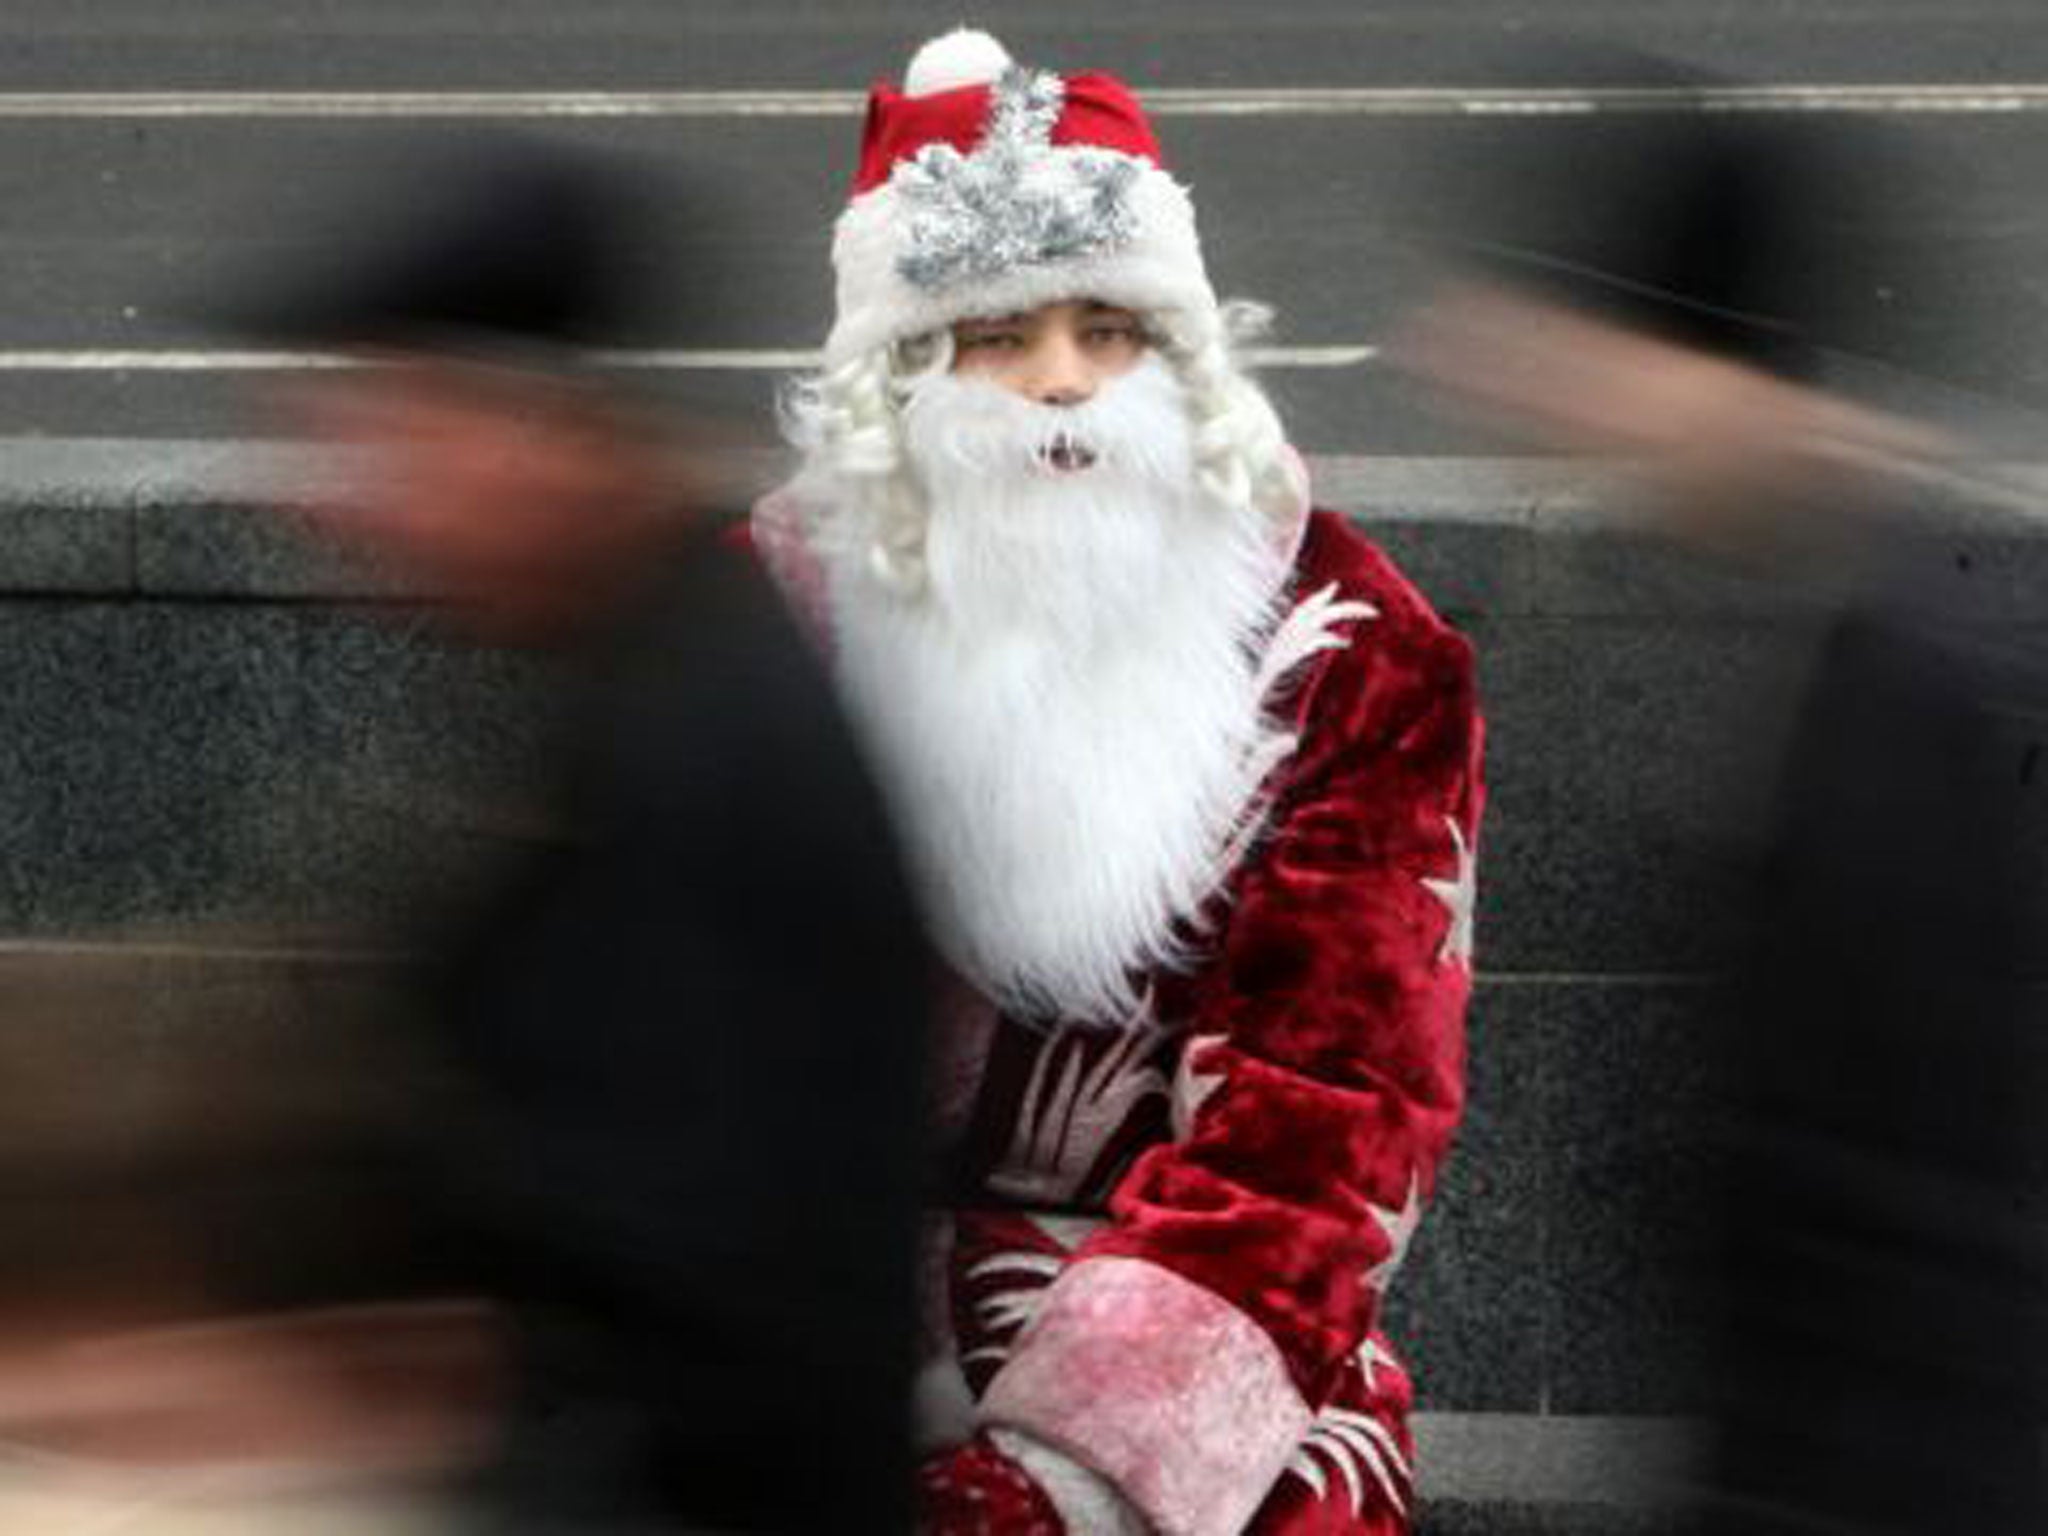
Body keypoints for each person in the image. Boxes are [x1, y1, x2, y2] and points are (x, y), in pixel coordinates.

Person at [756, 30, 1485, 1536]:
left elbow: (1331, 1114)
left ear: (1185, 358)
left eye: (1111, 330)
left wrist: (1063, 1472)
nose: (1065, 388)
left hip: (1197, 1317)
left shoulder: (1350, 646)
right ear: (899, 378)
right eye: (999, 336)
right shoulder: (758, 627)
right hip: (806, 1297)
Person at [166, 137, 932, 1535]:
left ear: (531, 432)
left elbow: (711, 1324)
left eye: (377, 432)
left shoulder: (706, 747)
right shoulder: (637, 665)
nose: (323, 493)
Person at [1393, 53, 2048, 1535]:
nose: (1560, 396)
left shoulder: (1905, 685)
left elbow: (1916, 1238)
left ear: (1714, 363)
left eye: (1602, 343)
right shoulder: (1839, 623)